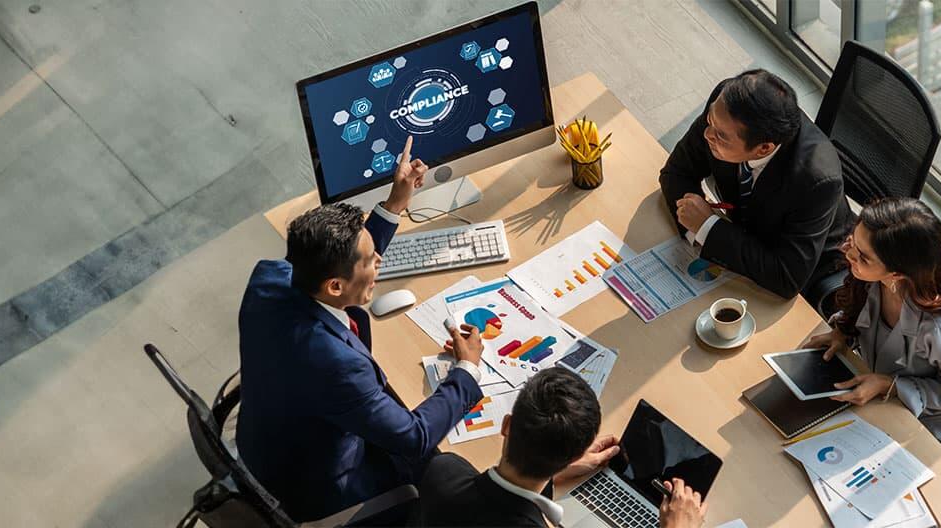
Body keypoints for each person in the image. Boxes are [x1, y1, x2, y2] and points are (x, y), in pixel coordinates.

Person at [236, 138, 493, 522]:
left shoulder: (269, 279)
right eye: (371, 262)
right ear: (335, 287)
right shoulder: (336, 365)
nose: (379, 263)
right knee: (452, 477)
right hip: (315, 487)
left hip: (265, 445)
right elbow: (414, 438)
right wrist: (466, 372)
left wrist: (394, 205)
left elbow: (336, 258)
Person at [801, 198, 941, 448]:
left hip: (934, 427)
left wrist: (891, 385)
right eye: (853, 241)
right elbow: (863, 320)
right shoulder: (875, 280)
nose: (849, 254)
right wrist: (842, 332)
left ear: (897, 273)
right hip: (881, 400)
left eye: (863, 257)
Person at [415, 369, 708, 528]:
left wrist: (552, 474)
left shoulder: (444, 470)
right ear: (575, 454)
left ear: (506, 425)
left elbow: (489, 501)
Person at [659, 69, 855, 302]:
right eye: (709, 120)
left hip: (805, 268)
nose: (707, 133)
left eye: (720, 136)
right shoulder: (725, 107)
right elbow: (676, 172)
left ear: (764, 148)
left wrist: (708, 227)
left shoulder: (818, 181)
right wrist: (696, 232)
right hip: (745, 241)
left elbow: (786, 277)